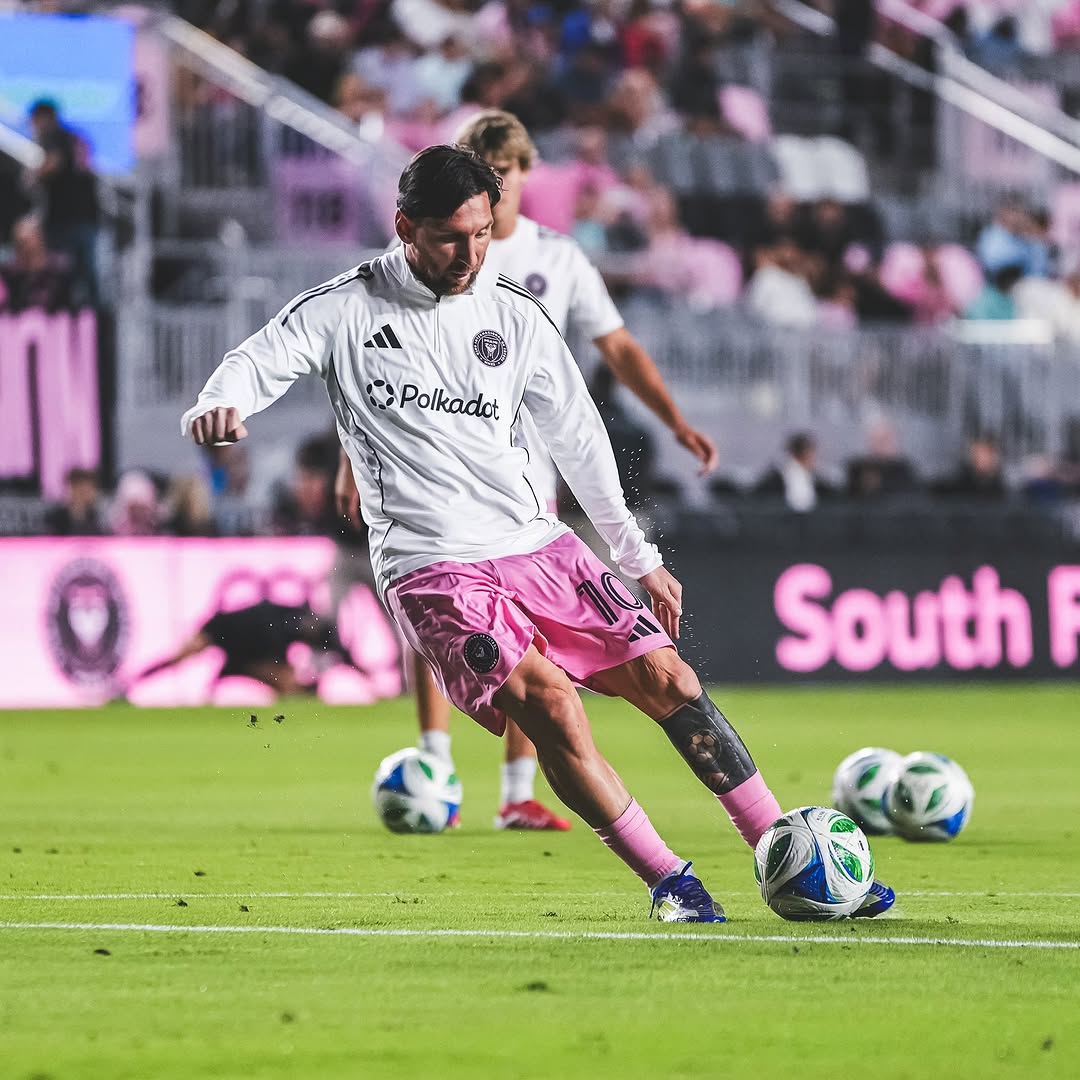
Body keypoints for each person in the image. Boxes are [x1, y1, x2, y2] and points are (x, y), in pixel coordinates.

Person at [182, 144, 894, 921]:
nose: (472, 253)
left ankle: (784, 849)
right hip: (431, 565)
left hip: (535, 543)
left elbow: (580, 439)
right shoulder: (344, 308)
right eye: (453, 237)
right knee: (553, 704)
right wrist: (218, 406)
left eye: (484, 234)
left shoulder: (513, 313)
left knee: (671, 682)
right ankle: (672, 882)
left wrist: (638, 557)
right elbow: (255, 360)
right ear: (404, 226)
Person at [336, 110, 720, 832]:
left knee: (530, 641)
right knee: (440, 616)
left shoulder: (559, 259)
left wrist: (673, 420)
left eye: (507, 170)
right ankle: (435, 763)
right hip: (432, 478)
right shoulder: (430, 253)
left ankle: (516, 788)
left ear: (522, 174)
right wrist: (352, 459)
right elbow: (368, 364)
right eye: (486, 167)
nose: (497, 183)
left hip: (527, 480)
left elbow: (618, 347)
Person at [128, 601, 359, 697]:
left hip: (247, 652)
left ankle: (138, 680)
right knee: (178, 658)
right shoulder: (281, 629)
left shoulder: (289, 621)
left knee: (284, 683)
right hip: (223, 631)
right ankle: (137, 680)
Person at [26, 100, 99, 307]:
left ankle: (60, 314)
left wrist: (32, 177)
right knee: (86, 276)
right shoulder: (76, 138)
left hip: (64, 219)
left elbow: (54, 162)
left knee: (57, 273)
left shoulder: (53, 135)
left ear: (44, 118)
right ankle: (94, 324)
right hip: (86, 216)